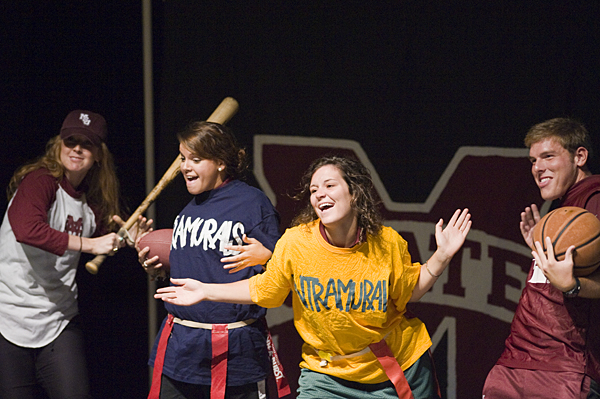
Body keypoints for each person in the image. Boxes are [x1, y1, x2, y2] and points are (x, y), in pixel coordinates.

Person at [154, 155, 472, 399]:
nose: (319, 194)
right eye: (314, 190)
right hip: (326, 374)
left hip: (394, 366)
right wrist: (206, 290)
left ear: (355, 192)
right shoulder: (296, 243)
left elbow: (409, 292)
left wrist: (441, 256)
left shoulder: (386, 242)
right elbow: (267, 289)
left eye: (329, 185)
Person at [0, 110, 152, 399]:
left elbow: (116, 234)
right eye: (71, 141)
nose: (77, 149)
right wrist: (90, 245)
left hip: (57, 319)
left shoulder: (94, 201)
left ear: (98, 154)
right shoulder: (40, 181)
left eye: (87, 143)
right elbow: (26, 229)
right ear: (59, 144)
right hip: (8, 316)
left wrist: (133, 239)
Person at [138, 121, 282, 399]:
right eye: (182, 158)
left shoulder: (253, 204)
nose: (185, 167)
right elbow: (192, 269)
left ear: (220, 162)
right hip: (180, 349)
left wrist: (269, 256)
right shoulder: (187, 211)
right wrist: (155, 266)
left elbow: (282, 275)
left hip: (234, 352)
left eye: (196, 159)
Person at [482, 118, 600, 398]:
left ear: (579, 156)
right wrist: (539, 251)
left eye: (548, 156)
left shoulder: (594, 199)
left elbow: (575, 282)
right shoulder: (564, 209)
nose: (538, 168)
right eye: (533, 160)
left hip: (562, 369)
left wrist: (572, 285)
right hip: (517, 360)